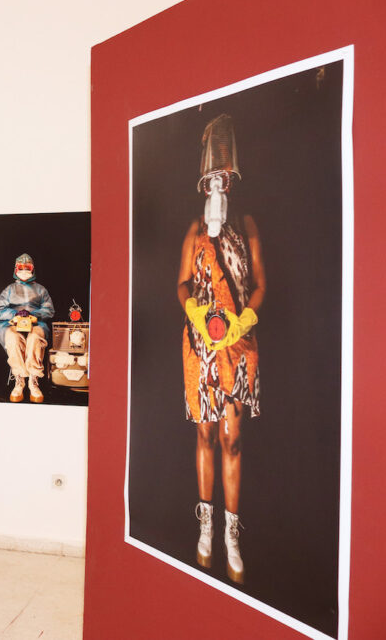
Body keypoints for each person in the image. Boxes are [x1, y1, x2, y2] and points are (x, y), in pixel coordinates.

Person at [177, 114, 265, 585]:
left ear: (234, 179)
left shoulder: (247, 223)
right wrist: (194, 312)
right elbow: (182, 283)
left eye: (225, 177)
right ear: (202, 181)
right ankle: (206, 524)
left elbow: (261, 286)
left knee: (233, 437)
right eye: (212, 177)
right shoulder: (195, 227)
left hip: (238, 343)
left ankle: (233, 531)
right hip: (200, 346)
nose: (218, 183)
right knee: (206, 434)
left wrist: (243, 319)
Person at [0, 253, 54, 403]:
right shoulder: (9, 290)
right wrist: (14, 316)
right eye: (21, 268)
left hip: (35, 322)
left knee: (35, 337)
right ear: (16, 269)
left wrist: (36, 316)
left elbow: (49, 309)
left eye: (28, 268)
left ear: (33, 269)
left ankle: (33, 380)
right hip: (11, 323)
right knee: (12, 338)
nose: (24, 271)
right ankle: (19, 380)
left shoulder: (41, 290)